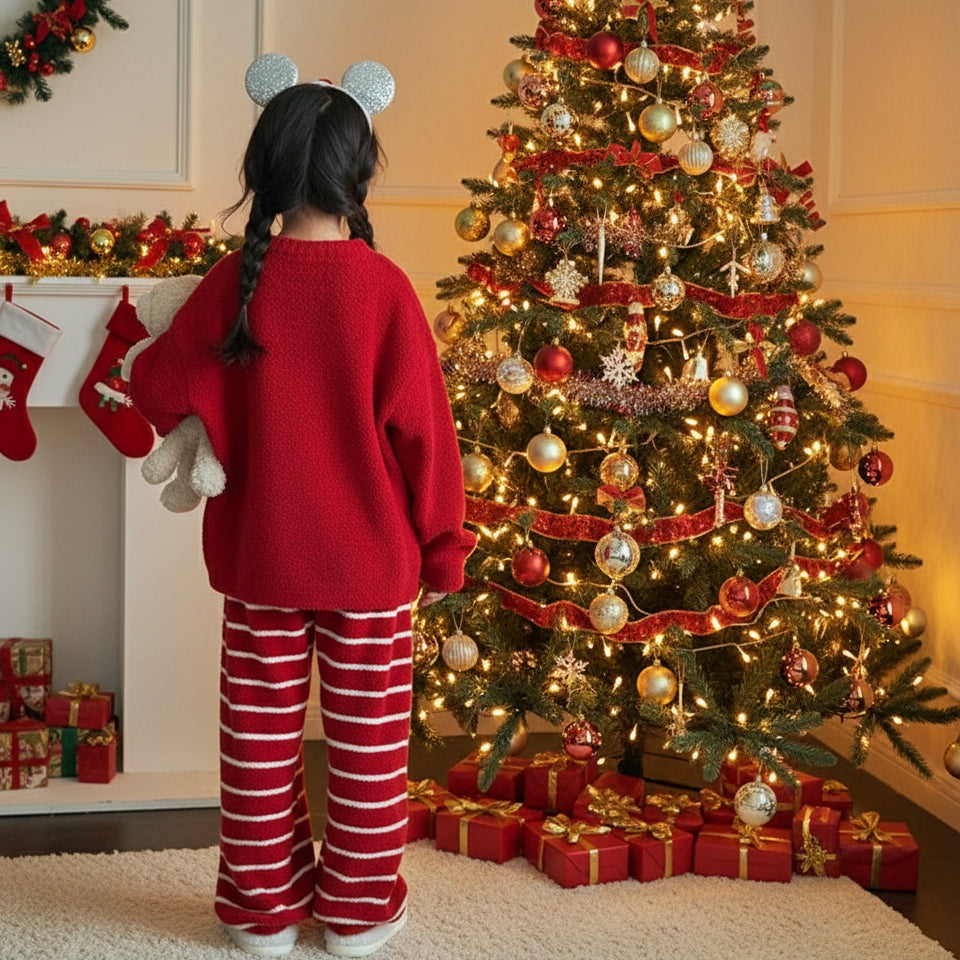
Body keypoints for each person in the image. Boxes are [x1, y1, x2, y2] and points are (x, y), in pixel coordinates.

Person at [130, 57, 475, 959]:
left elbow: (157, 384)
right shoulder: (384, 290)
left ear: (265, 171)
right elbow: (427, 442)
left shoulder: (230, 283)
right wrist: (443, 550)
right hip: (370, 570)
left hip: (259, 565)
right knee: (366, 758)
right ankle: (358, 916)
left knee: (258, 751)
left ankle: (260, 914)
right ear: (359, 172)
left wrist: (219, 427)